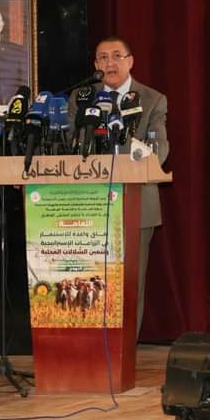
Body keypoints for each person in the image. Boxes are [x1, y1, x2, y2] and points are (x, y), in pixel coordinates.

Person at [69, 35, 169, 338]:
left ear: (130, 61)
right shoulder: (81, 98)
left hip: (136, 203)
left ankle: (124, 348)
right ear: (95, 64)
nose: (109, 63)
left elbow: (161, 149)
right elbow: (68, 145)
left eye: (116, 56)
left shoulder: (152, 99)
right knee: (89, 281)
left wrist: (136, 157)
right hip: (88, 202)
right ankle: (90, 346)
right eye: (103, 57)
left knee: (130, 283)